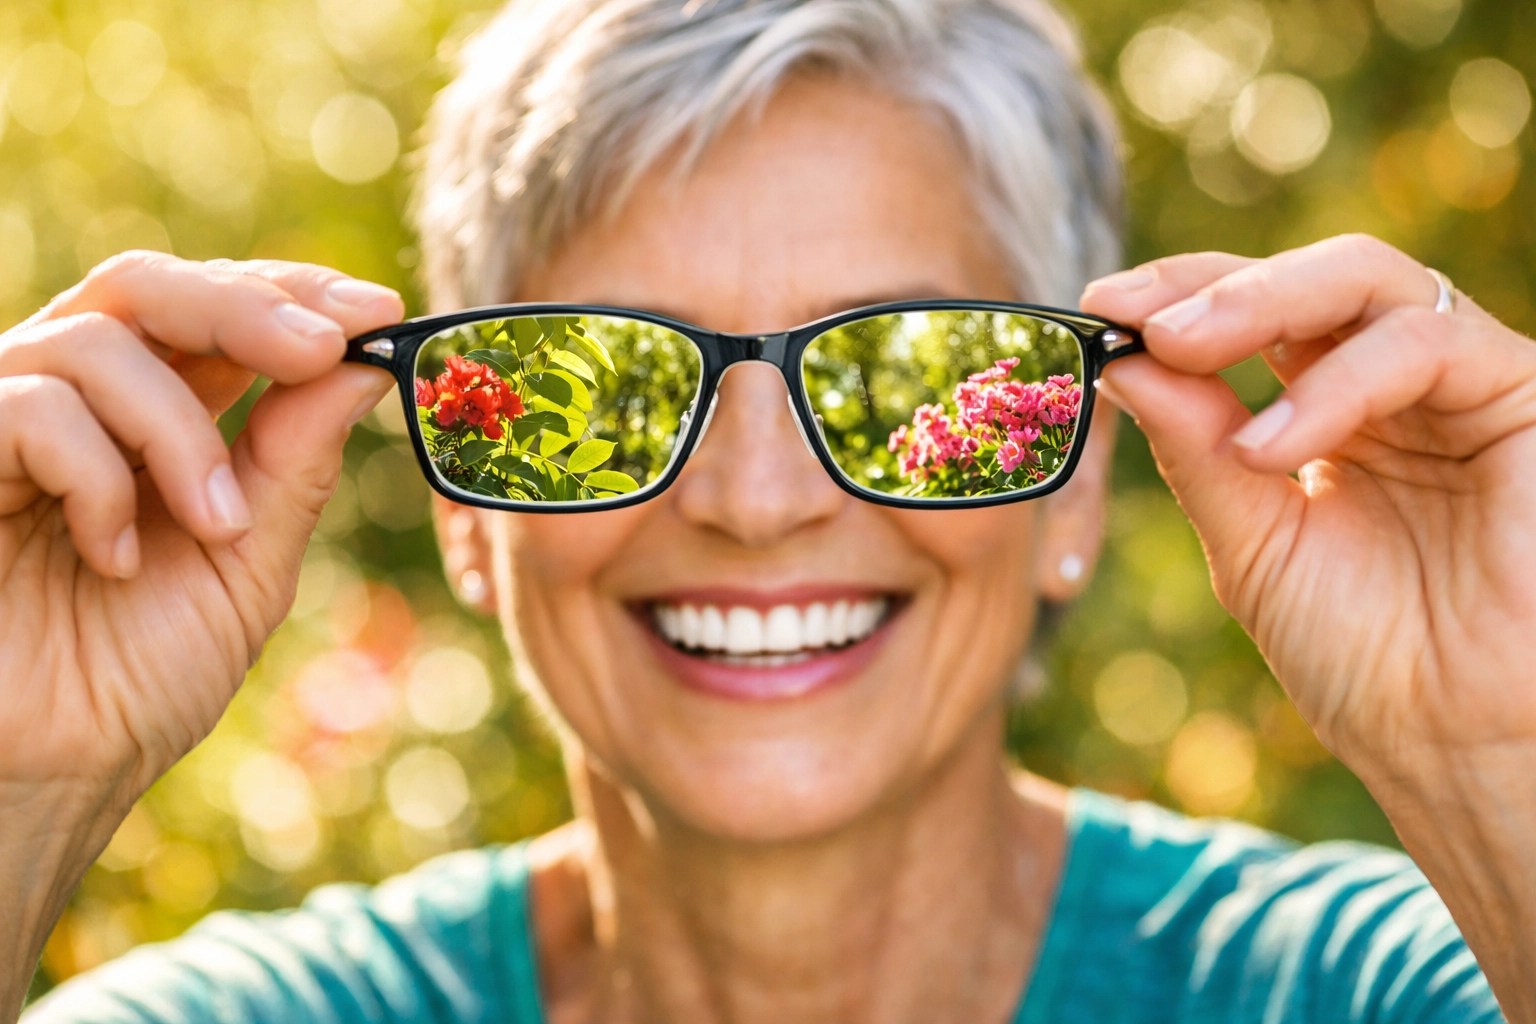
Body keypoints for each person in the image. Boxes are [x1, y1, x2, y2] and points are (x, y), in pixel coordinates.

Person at [4, 0, 1532, 1021]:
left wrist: (1501, 765)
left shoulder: (1378, 992)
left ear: (1075, 478)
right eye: (601, 385)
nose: (753, 501)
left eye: (905, 374)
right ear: (467, 513)